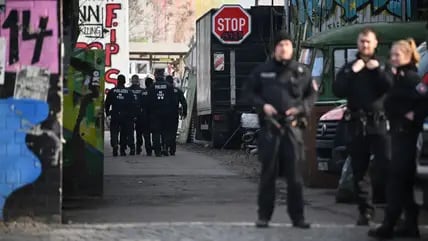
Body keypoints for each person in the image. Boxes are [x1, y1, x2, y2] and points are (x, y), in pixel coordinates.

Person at [246, 31, 317, 229]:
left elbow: (311, 96)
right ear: (274, 48)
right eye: (280, 45)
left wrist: (301, 109)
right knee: (267, 175)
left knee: (295, 176)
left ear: (292, 48)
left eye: (287, 44)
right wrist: (263, 106)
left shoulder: (301, 72)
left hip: (292, 130)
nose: (284, 48)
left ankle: (298, 217)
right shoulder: (262, 71)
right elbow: (249, 92)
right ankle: (264, 216)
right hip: (270, 129)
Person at [333, 27, 393, 225]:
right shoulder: (350, 67)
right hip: (357, 123)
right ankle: (365, 211)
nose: (365, 45)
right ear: (357, 44)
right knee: (359, 169)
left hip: (378, 122)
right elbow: (337, 89)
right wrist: (352, 71)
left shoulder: (382, 66)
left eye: (368, 41)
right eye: (362, 41)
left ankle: (391, 209)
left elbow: (390, 87)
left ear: (376, 43)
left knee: (387, 164)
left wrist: (377, 70)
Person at [368, 39, 427, 239]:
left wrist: (413, 116)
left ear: (408, 56)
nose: (393, 58)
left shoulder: (411, 78)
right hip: (395, 133)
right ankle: (411, 225)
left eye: (397, 55)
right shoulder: (394, 77)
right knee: (404, 182)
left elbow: (424, 101)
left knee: (395, 180)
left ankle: (389, 223)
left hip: (406, 136)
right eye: (391, 55)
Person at [147, 70, 175, 157]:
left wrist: (149, 113)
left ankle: (157, 151)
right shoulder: (169, 86)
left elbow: (148, 101)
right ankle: (165, 148)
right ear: (163, 76)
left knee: (156, 132)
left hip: (155, 113)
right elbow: (173, 101)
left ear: (155, 76)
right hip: (167, 112)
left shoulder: (151, 87)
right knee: (166, 131)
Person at [105, 74, 133, 156]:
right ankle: (122, 149)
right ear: (124, 82)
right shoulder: (129, 92)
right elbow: (132, 105)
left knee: (114, 131)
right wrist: (131, 115)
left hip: (115, 114)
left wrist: (107, 113)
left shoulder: (112, 91)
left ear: (117, 81)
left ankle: (115, 145)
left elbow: (107, 103)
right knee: (124, 133)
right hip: (125, 115)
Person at [165, 75, 187, 156]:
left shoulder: (164, 91)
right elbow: (184, 103)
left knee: (165, 131)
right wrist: (184, 113)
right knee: (173, 132)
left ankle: (165, 147)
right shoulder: (177, 91)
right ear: (172, 82)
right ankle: (172, 149)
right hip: (174, 114)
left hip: (165, 114)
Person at [128, 74, 145, 156]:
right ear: (138, 81)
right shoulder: (142, 91)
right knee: (139, 132)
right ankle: (138, 146)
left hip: (130, 112)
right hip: (140, 113)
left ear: (131, 81)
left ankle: (132, 147)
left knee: (130, 131)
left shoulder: (128, 90)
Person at [140, 75, 154, 156]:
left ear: (145, 84)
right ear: (152, 84)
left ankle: (148, 149)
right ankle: (156, 146)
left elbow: (139, 104)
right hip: (154, 115)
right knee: (156, 132)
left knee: (146, 134)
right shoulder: (154, 92)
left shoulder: (142, 93)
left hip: (144, 115)